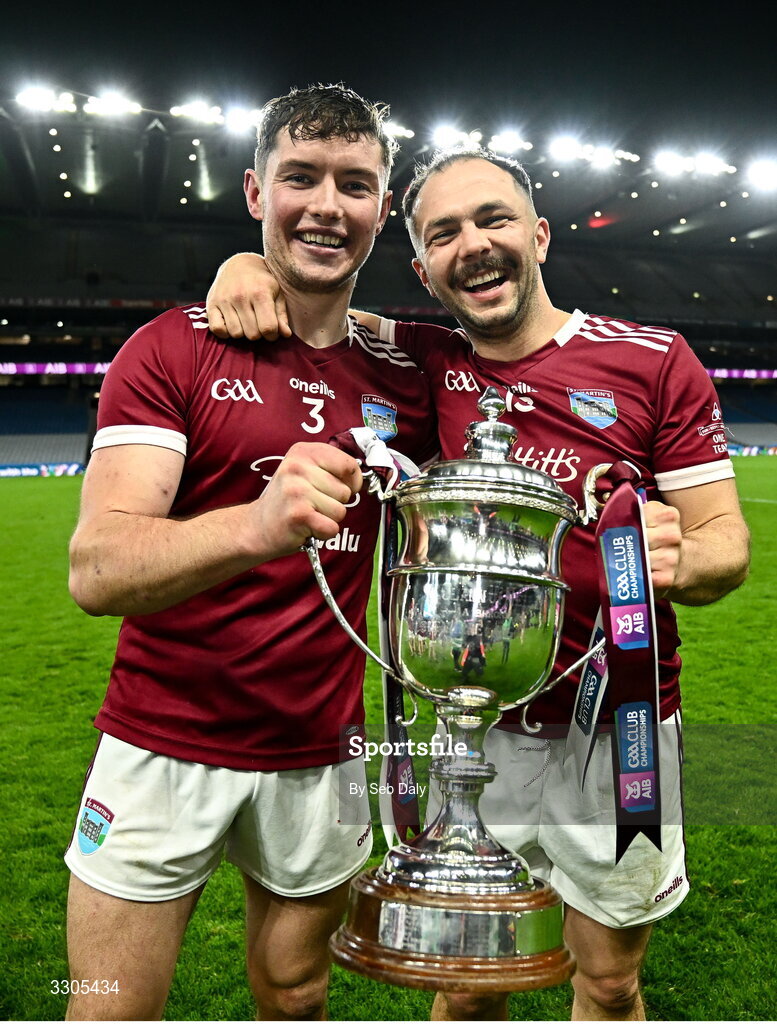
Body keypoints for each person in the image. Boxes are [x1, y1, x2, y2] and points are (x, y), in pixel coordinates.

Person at [206, 148, 750, 1021]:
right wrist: (245, 265)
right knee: (465, 981)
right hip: (471, 723)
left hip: (617, 723)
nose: (474, 245)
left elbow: (726, 540)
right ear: (422, 269)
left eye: (493, 219)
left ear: (536, 234)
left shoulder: (653, 361)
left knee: (607, 979)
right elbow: (314, 310)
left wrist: (684, 561)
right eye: (443, 233)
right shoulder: (416, 359)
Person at [64, 84, 436, 1021]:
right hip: (160, 744)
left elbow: (521, 349)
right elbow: (96, 568)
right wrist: (257, 525)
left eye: (354, 184)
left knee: (298, 996)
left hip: (323, 753)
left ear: (382, 208)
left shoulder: (411, 371)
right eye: (298, 178)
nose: (325, 205)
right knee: (103, 1006)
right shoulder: (170, 349)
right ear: (253, 191)